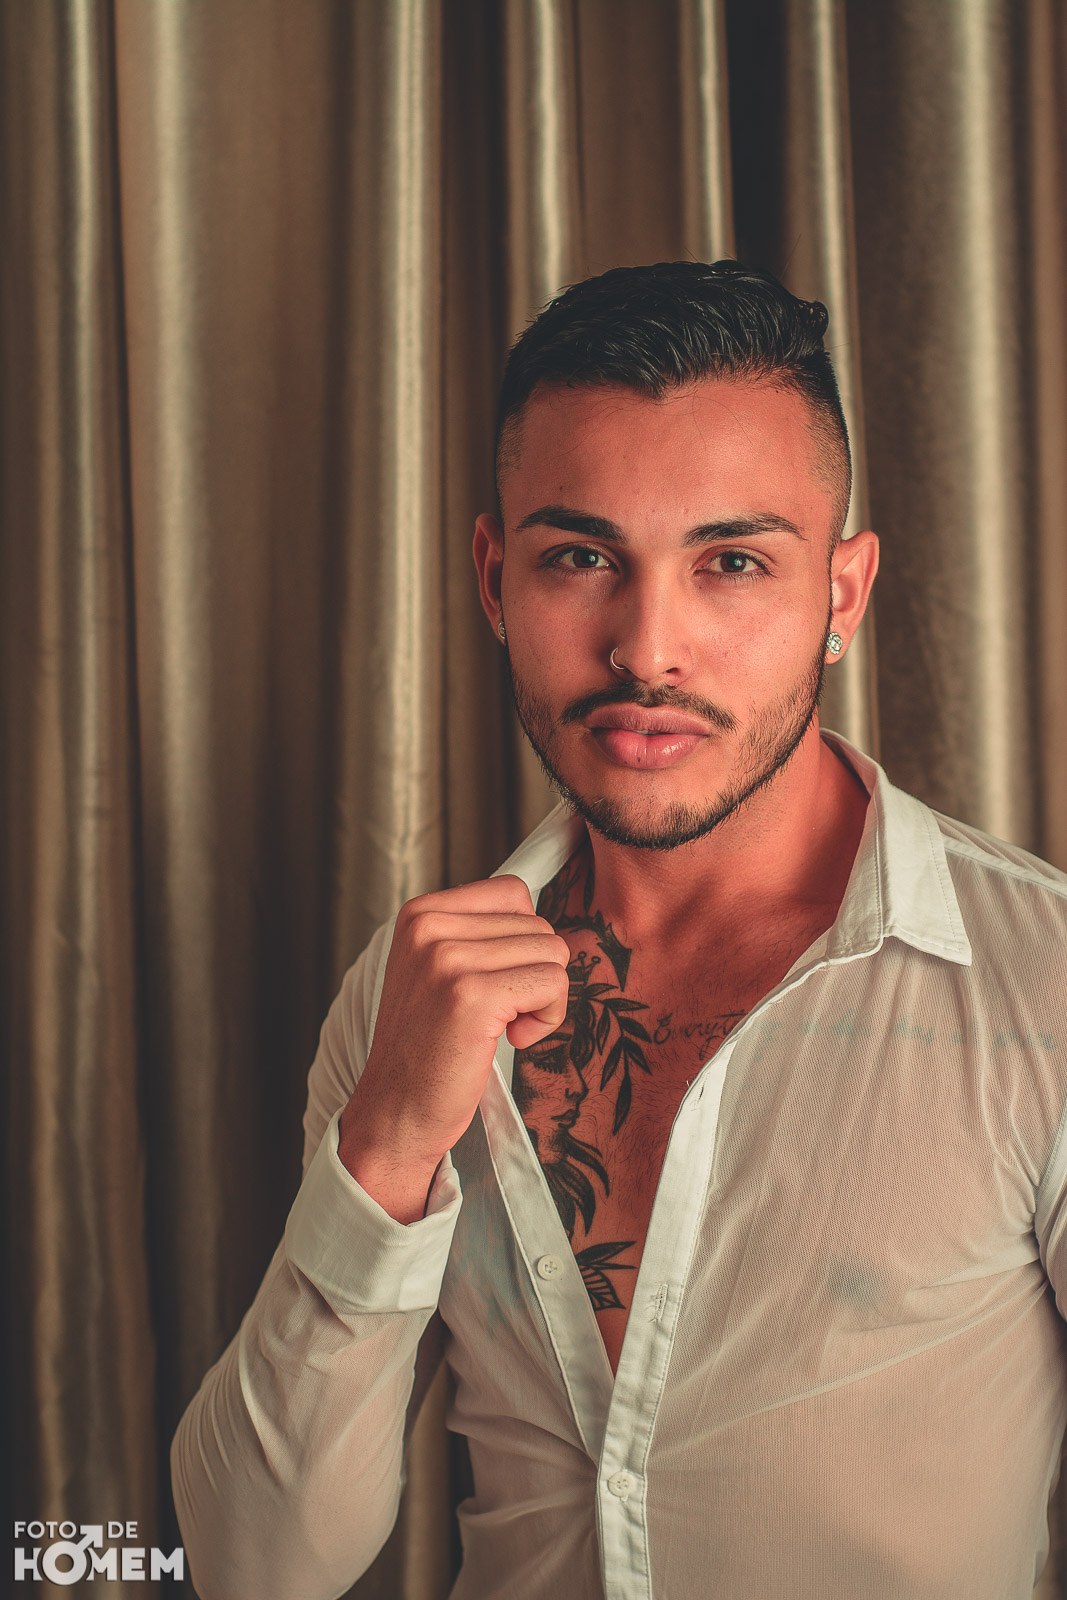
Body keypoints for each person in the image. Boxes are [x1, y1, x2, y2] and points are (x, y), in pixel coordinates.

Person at [172, 262, 1067, 1600]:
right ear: (495, 579)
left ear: (842, 596)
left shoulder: (1043, 989)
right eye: (582, 559)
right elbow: (255, 1566)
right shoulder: (409, 1002)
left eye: (732, 563)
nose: (648, 649)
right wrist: (387, 1147)